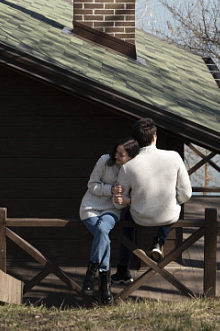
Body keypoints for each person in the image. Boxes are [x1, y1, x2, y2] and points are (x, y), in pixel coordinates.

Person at [111, 118, 192, 286]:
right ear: (155, 137)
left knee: (126, 220)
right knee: (173, 205)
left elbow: (119, 203)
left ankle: (123, 270)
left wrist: (132, 200)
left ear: (135, 140)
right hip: (168, 216)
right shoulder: (174, 157)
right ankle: (159, 241)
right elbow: (186, 195)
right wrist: (173, 199)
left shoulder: (128, 166)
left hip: (140, 216)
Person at [79, 137, 140, 304]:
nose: (116, 156)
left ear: (131, 157)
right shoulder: (104, 161)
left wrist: (120, 199)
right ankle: (105, 285)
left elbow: (127, 199)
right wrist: (110, 189)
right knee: (103, 235)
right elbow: (92, 185)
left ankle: (91, 274)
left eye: (121, 154)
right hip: (90, 207)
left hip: (112, 210)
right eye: (116, 152)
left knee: (102, 230)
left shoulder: (132, 172)